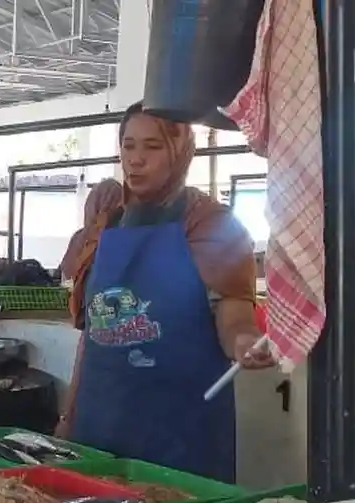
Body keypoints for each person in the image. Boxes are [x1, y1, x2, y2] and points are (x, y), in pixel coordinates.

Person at [56, 103, 273, 483]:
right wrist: (68, 416)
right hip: (99, 423)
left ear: (180, 151)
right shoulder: (106, 224)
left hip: (179, 433)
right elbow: (92, 333)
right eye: (129, 146)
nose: (136, 159)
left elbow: (234, 316)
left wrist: (245, 342)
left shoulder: (210, 224)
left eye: (152, 147)